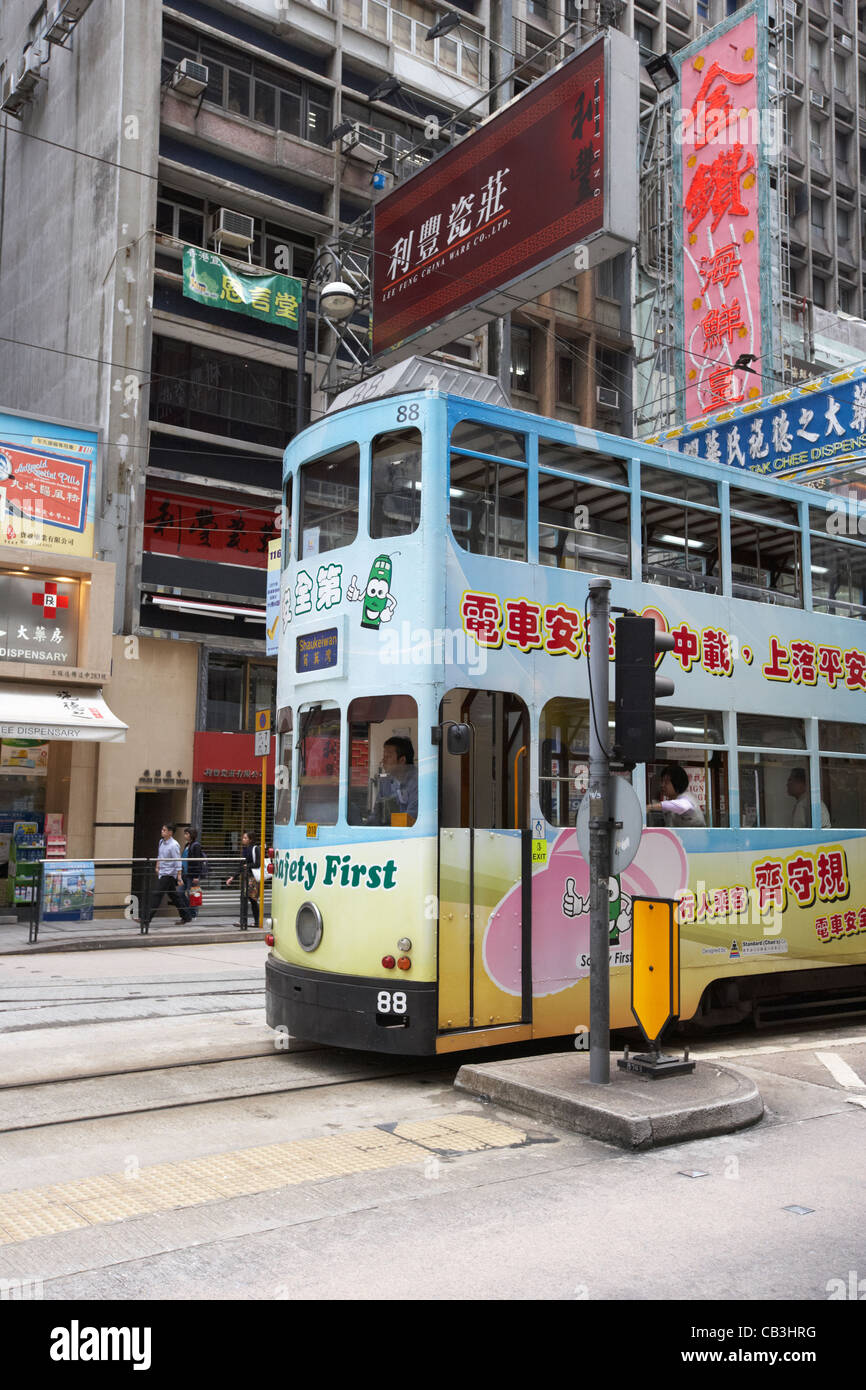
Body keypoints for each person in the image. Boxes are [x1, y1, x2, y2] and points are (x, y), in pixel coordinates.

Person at [371, 737, 418, 825]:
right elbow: (376, 814)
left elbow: (412, 817)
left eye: (388, 757)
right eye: (383, 756)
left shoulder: (418, 782)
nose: (383, 761)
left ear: (402, 760)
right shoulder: (385, 782)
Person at [154, 823, 193, 923]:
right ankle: (186, 916)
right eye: (162, 829)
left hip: (169, 874)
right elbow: (160, 855)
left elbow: (178, 861)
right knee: (174, 897)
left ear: (170, 833)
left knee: (156, 895)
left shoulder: (174, 845)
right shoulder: (161, 842)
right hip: (163, 872)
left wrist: (179, 876)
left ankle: (145, 918)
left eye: (164, 830)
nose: (162, 831)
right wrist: (157, 866)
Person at [648, 763, 706, 827]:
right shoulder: (672, 800)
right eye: (662, 781)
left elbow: (683, 806)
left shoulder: (687, 797)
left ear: (677, 782)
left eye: (666, 782)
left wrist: (650, 807)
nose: (662, 785)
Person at [226, 830, 260, 912]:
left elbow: (258, 863)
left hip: (253, 878)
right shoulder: (245, 850)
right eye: (243, 837)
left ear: (250, 840)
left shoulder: (256, 849)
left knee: (251, 899)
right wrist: (233, 877)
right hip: (246, 878)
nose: (243, 839)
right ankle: (244, 921)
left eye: (245, 838)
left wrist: (247, 865)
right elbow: (241, 866)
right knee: (245, 898)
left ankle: (253, 922)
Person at [181, 826, 204, 920]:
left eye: (186, 833)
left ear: (191, 835)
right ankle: (189, 911)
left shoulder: (196, 845)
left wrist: (196, 876)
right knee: (180, 892)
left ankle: (193, 914)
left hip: (192, 874)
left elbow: (197, 862)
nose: (185, 835)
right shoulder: (187, 845)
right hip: (185, 874)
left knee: (193, 894)